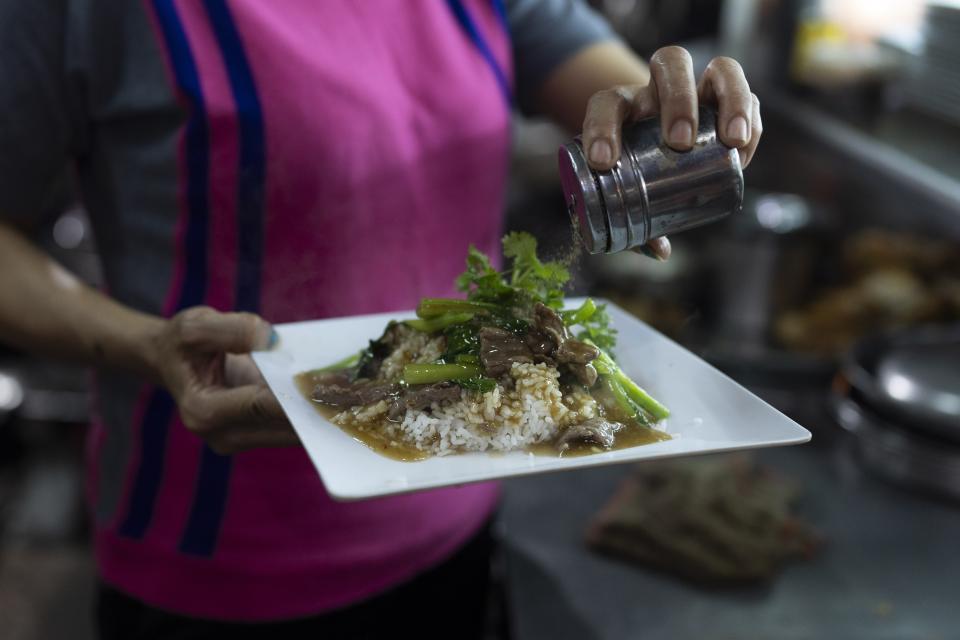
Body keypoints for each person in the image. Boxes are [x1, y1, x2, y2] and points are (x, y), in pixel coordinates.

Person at [0, 0, 761, 637]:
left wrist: (676, 123)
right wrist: (144, 346)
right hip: (219, 567)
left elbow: (614, 91)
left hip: (455, 518)